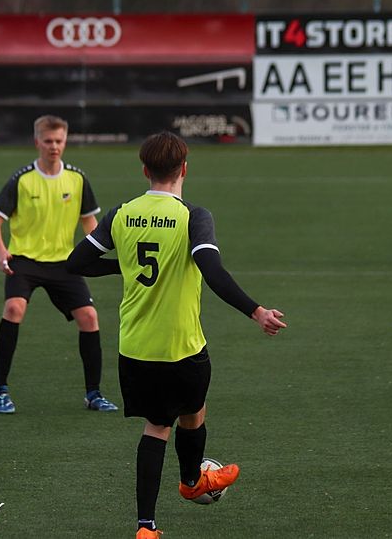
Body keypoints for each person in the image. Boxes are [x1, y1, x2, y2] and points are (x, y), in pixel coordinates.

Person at [66, 132, 286, 538]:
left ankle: (146, 527)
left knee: (157, 425)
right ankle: (191, 482)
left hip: (134, 347)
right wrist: (256, 311)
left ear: (144, 170)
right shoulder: (192, 216)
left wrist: (123, 266)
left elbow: (76, 262)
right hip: (182, 346)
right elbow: (212, 271)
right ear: (184, 168)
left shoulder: (122, 213)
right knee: (193, 410)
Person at [0, 115, 117, 414]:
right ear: (37, 142)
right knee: (14, 309)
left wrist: (96, 251)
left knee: (89, 317)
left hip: (63, 263)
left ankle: (93, 394)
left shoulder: (77, 179)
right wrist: (2, 251)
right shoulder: (22, 179)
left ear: (65, 142)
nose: (54, 146)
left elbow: (90, 222)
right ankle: (0, 390)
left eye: (59, 141)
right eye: (48, 141)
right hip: (24, 260)